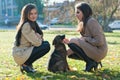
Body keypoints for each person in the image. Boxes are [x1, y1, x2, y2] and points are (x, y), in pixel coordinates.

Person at [63, 2, 108, 72]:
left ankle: (90, 62)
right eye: (75, 13)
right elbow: (82, 41)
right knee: (69, 52)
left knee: (72, 40)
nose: (76, 15)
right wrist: (63, 54)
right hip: (93, 48)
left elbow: (100, 41)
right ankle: (93, 62)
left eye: (78, 12)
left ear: (84, 12)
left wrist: (85, 39)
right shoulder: (83, 23)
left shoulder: (91, 21)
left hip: (99, 51)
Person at [12, 3, 50, 73]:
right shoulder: (26, 25)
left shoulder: (32, 23)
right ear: (26, 14)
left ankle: (27, 64)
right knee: (46, 46)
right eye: (31, 14)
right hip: (20, 54)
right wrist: (39, 37)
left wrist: (39, 37)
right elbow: (38, 43)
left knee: (45, 44)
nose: (33, 16)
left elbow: (38, 41)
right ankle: (25, 64)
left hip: (23, 52)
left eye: (35, 13)